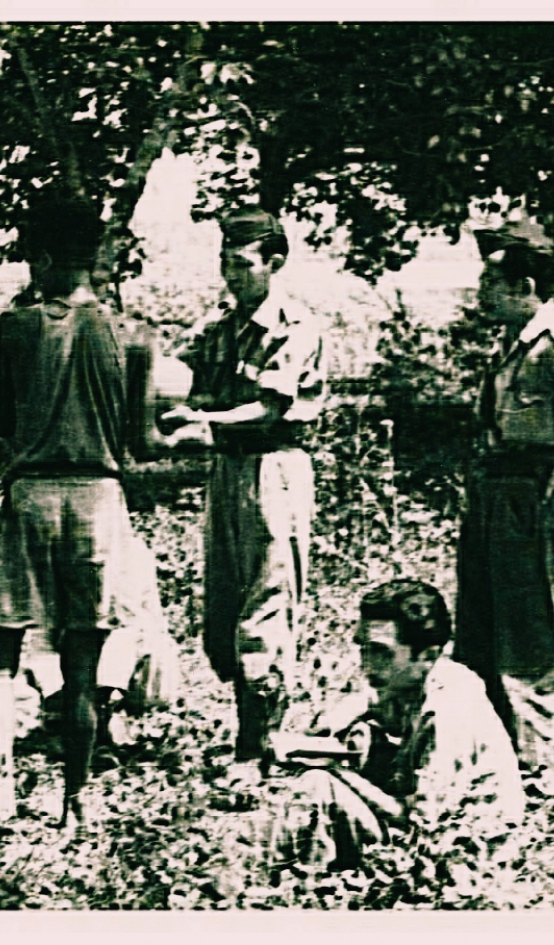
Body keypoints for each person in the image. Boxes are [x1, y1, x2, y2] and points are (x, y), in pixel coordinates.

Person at [0, 195, 174, 826]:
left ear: (40, 257)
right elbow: (145, 445)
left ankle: (2, 786)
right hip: (98, 497)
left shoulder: (15, 327)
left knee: (3, 649)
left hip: (32, 491)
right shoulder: (133, 334)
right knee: (84, 661)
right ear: (98, 257)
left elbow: (3, 423)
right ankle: (76, 801)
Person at [162, 207, 328, 771]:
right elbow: (177, 373)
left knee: (266, 615)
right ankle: (249, 732)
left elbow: (268, 409)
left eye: (241, 264)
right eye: (224, 263)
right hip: (228, 474)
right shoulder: (220, 325)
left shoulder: (295, 327)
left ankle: (256, 749)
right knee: (224, 617)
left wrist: (204, 423)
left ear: (273, 263)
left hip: (273, 471)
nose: (230, 275)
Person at [454, 219, 554, 780]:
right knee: (481, 633)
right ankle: (499, 761)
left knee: (533, 641)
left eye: (492, 284)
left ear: (527, 287)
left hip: (532, 501)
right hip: (495, 495)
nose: (482, 295)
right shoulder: (516, 346)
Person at [271, 580, 524, 871]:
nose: (367, 664)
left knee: (319, 786)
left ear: (427, 656)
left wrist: (334, 769)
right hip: (427, 835)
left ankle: (289, 885)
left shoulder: (450, 711)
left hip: (464, 857)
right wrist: (337, 719)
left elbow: (419, 822)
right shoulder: (411, 677)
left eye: (381, 652)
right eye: (363, 649)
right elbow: (370, 698)